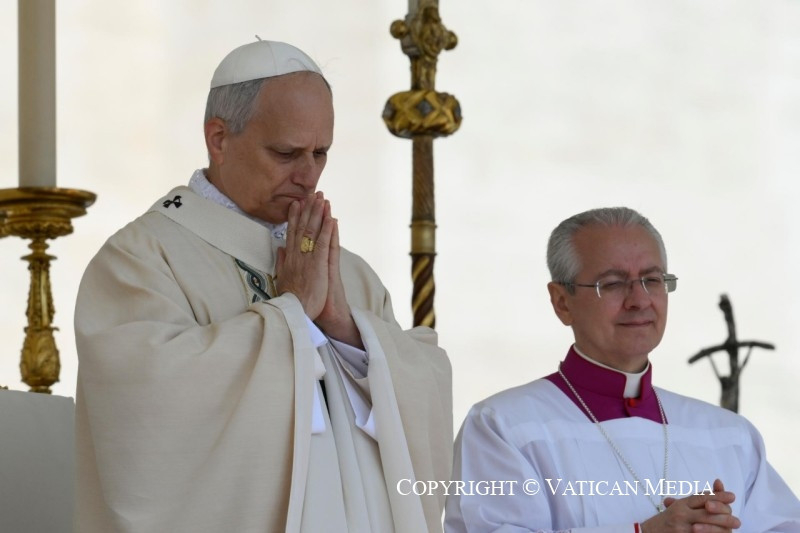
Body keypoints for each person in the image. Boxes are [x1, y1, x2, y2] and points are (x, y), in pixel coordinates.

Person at [74, 39, 452, 533]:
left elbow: (423, 399)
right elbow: (144, 408)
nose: (308, 175)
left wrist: (345, 330)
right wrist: (292, 313)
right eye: (286, 153)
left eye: (321, 153)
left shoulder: (349, 273)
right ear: (219, 138)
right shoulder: (142, 258)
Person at [445, 207, 800, 532]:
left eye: (652, 280)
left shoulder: (730, 436)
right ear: (562, 302)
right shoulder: (504, 427)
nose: (639, 300)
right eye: (613, 284)